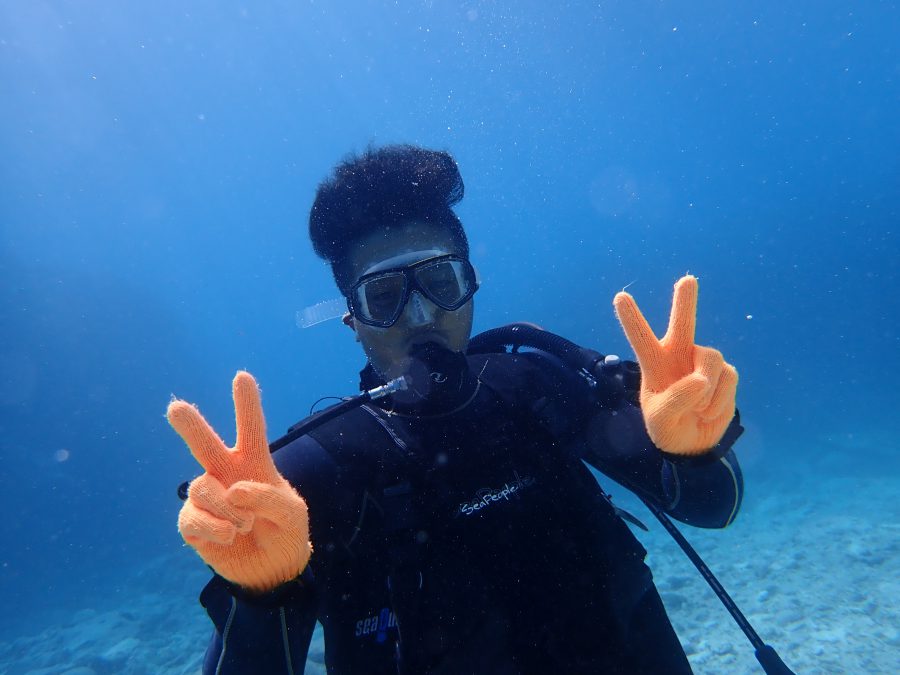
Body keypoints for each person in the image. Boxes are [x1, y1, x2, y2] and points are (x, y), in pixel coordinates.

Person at [168, 144, 744, 674]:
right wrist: (262, 594)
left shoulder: (538, 386)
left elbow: (714, 507)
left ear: (471, 285)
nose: (421, 316)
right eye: (384, 297)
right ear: (354, 321)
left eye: (441, 281)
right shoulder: (316, 473)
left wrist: (693, 450)